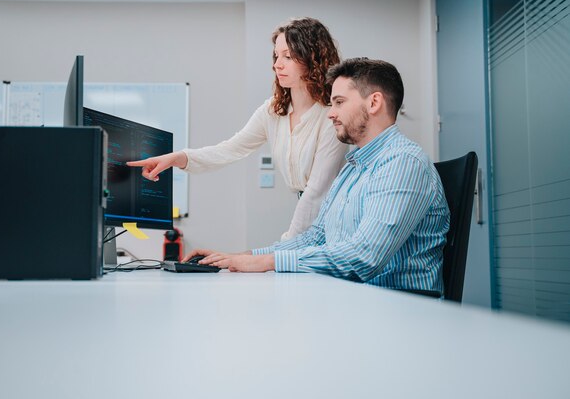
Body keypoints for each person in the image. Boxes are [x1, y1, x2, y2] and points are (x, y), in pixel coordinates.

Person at [187, 58, 450, 293]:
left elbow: (365, 255)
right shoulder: (353, 168)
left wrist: (266, 262)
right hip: (358, 301)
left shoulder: (403, 163)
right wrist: (241, 257)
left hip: (400, 312)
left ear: (374, 103)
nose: (331, 113)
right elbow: (316, 237)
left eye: (338, 102)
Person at [127, 17, 348, 240]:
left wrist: (283, 248)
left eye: (288, 57)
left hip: (335, 222)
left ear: (313, 59)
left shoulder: (332, 115)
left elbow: (316, 192)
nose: (277, 64)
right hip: (308, 221)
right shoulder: (273, 111)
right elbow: (229, 150)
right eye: (276, 56)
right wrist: (176, 158)